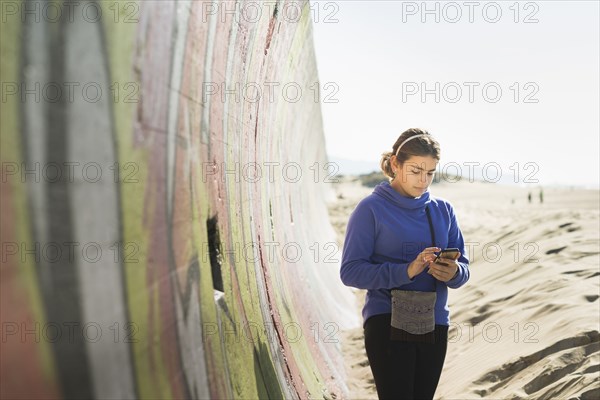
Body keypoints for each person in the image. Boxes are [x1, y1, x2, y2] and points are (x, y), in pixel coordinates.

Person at [340, 128, 470, 399]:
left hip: (433, 320)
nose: (424, 180)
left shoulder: (444, 210)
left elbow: (464, 269)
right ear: (396, 165)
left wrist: (453, 272)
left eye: (431, 173)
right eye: (415, 171)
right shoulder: (370, 209)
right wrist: (407, 271)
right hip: (386, 318)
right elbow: (350, 271)